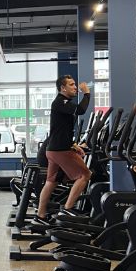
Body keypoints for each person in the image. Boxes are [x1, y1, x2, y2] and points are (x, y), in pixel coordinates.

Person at [35, 76, 91, 223]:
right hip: (60, 150)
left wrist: (73, 145)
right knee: (85, 175)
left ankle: (40, 215)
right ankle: (68, 208)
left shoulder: (63, 103)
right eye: (71, 85)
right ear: (63, 88)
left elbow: (62, 130)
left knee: (51, 182)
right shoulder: (60, 101)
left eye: (75, 84)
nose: (75, 87)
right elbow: (80, 110)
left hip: (54, 149)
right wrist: (87, 93)